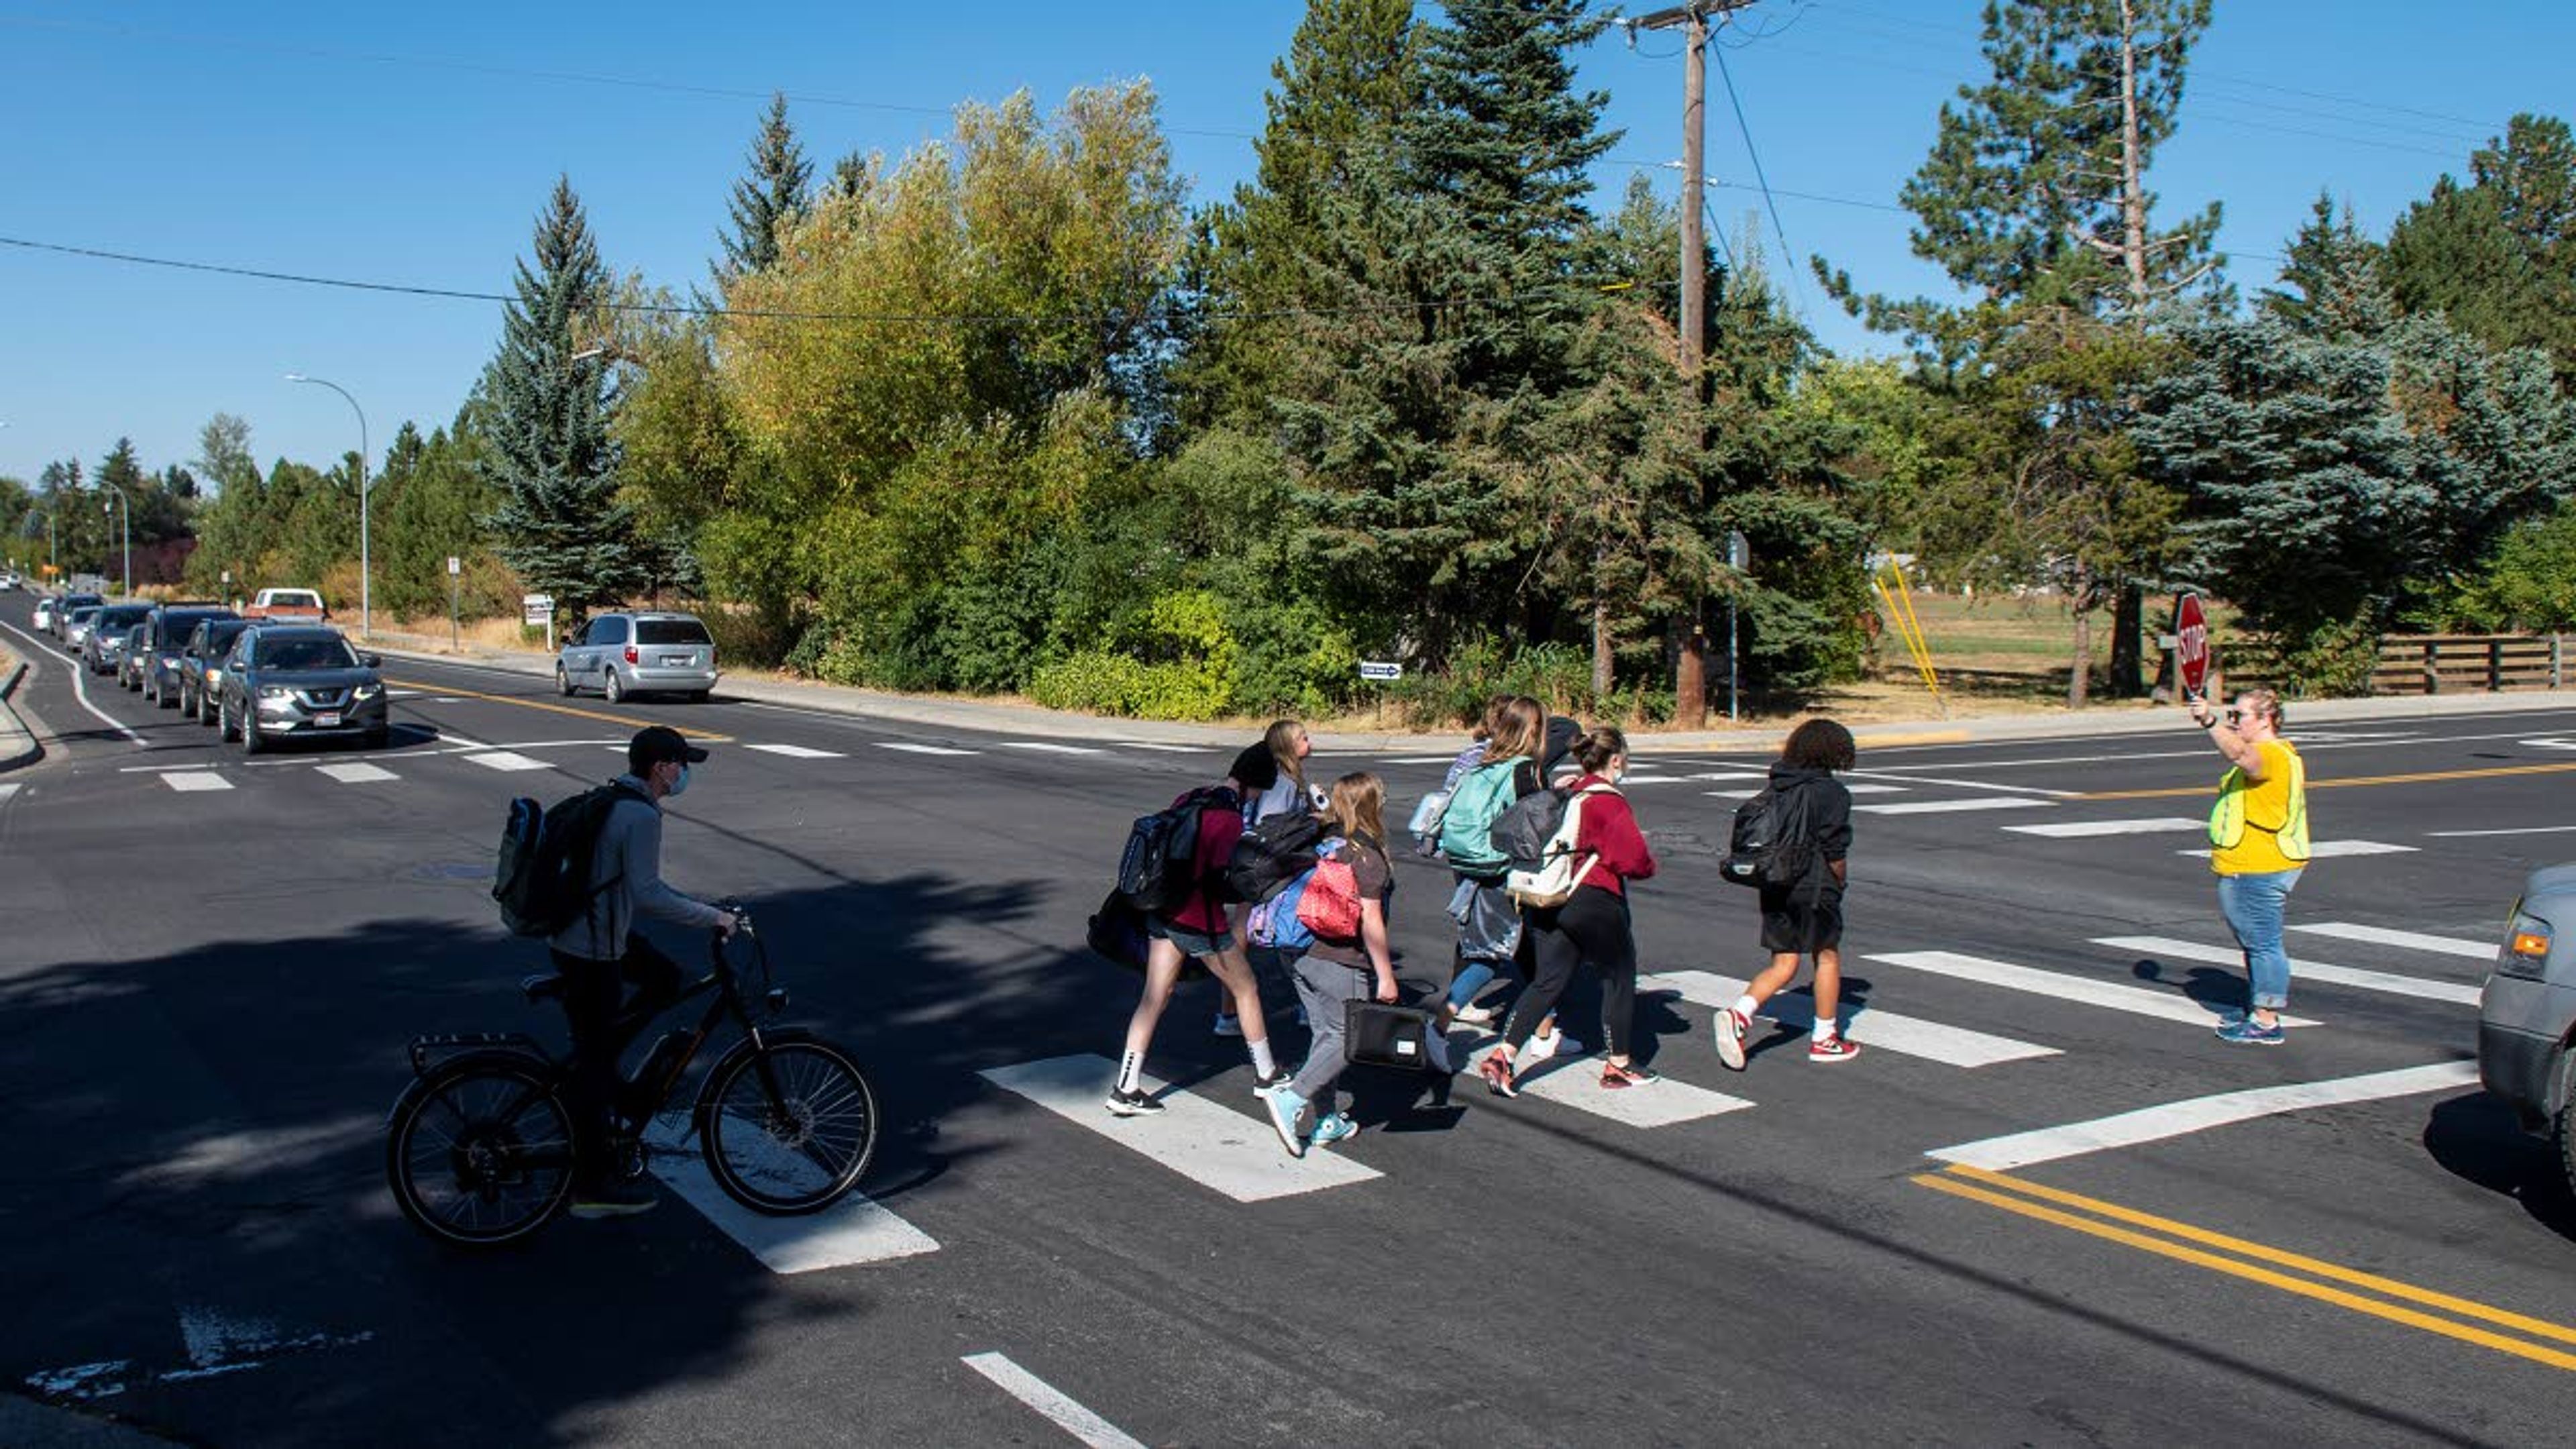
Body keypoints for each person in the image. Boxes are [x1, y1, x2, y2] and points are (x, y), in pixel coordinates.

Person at [548, 726, 739, 1218]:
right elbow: (648, 894)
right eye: (680, 764)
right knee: (595, 1067)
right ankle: (591, 1187)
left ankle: (612, 1070)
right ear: (660, 768)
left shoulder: (618, 800)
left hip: (588, 936)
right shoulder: (639, 815)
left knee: (662, 978)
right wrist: (713, 916)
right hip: (592, 949)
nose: (684, 772)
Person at [1477, 727, 1659, 1096]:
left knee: (1549, 980)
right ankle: (1619, 1065)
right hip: (1594, 899)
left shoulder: (1569, 791)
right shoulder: (1609, 801)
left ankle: (1504, 1055)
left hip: (1548, 897)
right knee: (1619, 976)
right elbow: (1634, 860)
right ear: (1616, 760)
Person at [1108, 771, 1294, 1116]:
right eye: (1256, 792)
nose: (1255, 800)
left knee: (1154, 997)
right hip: (1200, 922)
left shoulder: (1191, 798)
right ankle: (1267, 1074)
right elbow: (1224, 880)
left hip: (1164, 910)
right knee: (1246, 988)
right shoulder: (1228, 819)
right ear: (1247, 785)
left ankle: (1126, 1086)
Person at [1264, 772, 1411, 1155]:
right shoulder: (1368, 857)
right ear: (1372, 806)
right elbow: (1372, 923)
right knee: (1348, 1037)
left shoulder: (1327, 843)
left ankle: (1326, 1118)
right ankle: (1292, 1099)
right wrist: (1386, 977)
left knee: (1325, 1034)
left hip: (1298, 953)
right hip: (1338, 959)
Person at [1714, 718, 1861, 1071]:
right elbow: (1835, 849)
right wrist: (1839, 882)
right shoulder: (1832, 793)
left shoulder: (1778, 786)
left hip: (1776, 882)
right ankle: (1825, 1038)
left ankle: (1739, 1013)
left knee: (1784, 962)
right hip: (1814, 885)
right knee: (1826, 956)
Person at [1438, 696, 1575, 1059]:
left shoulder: (1482, 762)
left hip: (1476, 863)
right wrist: (1562, 795)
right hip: (1507, 871)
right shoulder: (1526, 769)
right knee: (1492, 956)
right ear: (1535, 730)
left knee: (1528, 951)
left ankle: (1545, 1031)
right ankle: (1437, 1026)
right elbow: (1539, 822)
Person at [2190, 686, 2309, 1045]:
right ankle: (2260, 1009)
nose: (2234, 721)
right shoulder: (2276, 754)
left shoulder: (2270, 755)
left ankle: (2266, 1020)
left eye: (2239, 715)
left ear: (2265, 719)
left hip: (2260, 865)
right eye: (2232, 715)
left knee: (2263, 944)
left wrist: (2209, 721)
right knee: (2256, 942)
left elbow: (2240, 755)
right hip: (2254, 863)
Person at [1219, 720, 1320, 1038]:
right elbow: (1272, 826)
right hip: (1269, 867)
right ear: (1289, 746)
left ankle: (1228, 1012)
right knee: (1295, 931)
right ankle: (1308, 1005)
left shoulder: (1276, 778)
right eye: (1304, 738)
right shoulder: (1284, 783)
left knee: (1240, 933)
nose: (1310, 742)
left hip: (1248, 860)